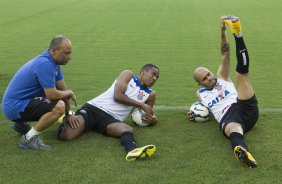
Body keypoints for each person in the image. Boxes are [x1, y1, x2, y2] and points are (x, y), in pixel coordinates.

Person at [188, 16, 259, 168]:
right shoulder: (200, 94)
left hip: (243, 107)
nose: (209, 78)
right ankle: (244, 152)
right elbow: (204, 108)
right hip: (229, 118)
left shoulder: (222, 77)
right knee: (233, 130)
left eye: (208, 74)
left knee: (242, 73)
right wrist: (194, 113)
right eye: (204, 78)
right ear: (199, 83)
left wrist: (222, 31)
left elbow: (225, 53)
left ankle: (238, 34)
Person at [58, 64, 159, 161]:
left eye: (157, 77)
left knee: (126, 128)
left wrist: (153, 120)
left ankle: (132, 151)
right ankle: (66, 117)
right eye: (153, 74)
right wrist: (141, 104)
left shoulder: (150, 94)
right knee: (66, 136)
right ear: (142, 71)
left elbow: (149, 113)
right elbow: (118, 96)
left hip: (111, 120)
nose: (154, 78)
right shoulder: (128, 75)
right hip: (94, 109)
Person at [2, 35, 77, 150]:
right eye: (66, 53)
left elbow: (62, 90)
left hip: (17, 103)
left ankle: (21, 125)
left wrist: (69, 114)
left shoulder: (54, 63)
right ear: (54, 51)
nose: (69, 57)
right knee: (58, 106)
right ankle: (29, 139)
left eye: (70, 53)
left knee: (58, 99)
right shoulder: (45, 64)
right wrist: (69, 93)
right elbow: (52, 95)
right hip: (14, 107)